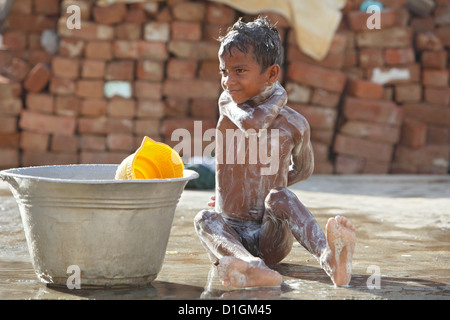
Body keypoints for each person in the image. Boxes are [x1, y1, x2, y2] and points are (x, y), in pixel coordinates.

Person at [194, 16, 356, 288]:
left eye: (239, 71)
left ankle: (330, 259)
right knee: (204, 218)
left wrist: (264, 186)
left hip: (271, 237)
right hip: (230, 233)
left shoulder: (294, 125)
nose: (228, 81)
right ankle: (250, 266)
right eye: (224, 71)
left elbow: (303, 170)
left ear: (271, 74)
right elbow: (253, 123)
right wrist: (230, 190)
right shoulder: (228, 106)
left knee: (280, 196)